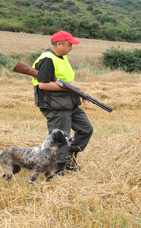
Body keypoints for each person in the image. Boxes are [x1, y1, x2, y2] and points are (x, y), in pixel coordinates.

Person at [32, 30, 93, 174]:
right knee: (61, 137)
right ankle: (57, 169)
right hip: (55, 105)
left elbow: (65, 82)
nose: (71, 47)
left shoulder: (61, 57)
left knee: (86, 129)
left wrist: (76, 91)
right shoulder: (47, 59)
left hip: (69, 103)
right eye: (69, 44)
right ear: (59, 44)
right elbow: (43, 84)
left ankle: (68, 158)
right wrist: (67, 89)